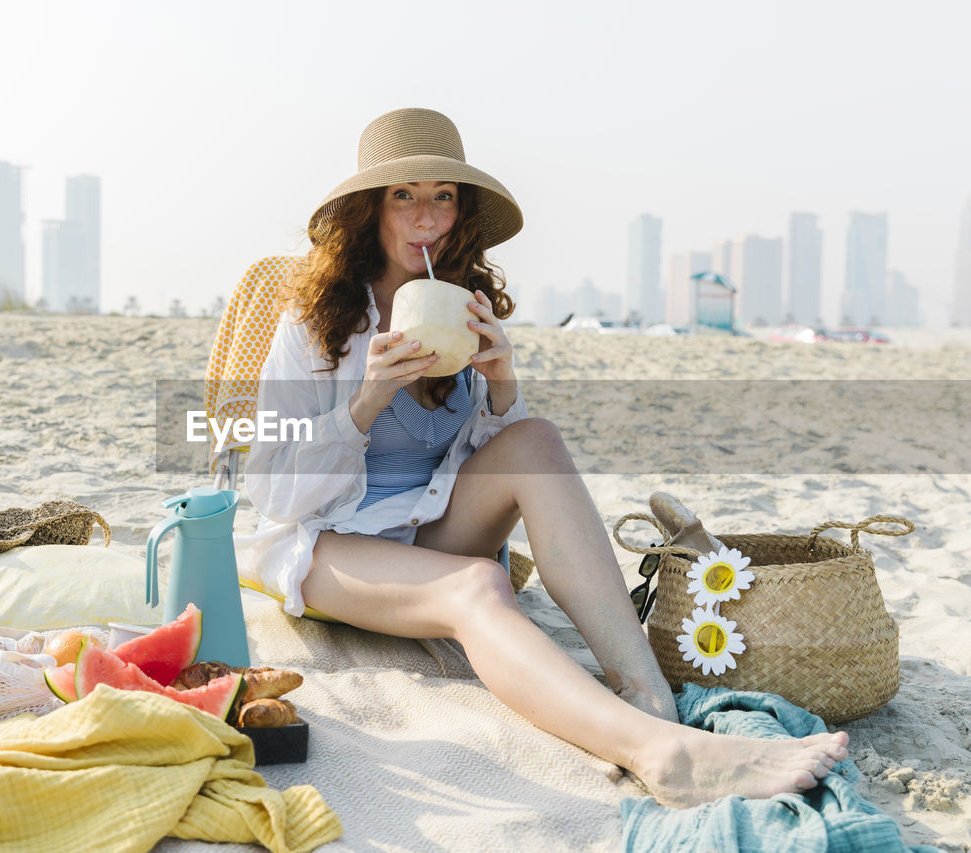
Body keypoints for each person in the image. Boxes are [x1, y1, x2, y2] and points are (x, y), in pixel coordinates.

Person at [239, 107, 848, 808]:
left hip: (426, 528)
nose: (425, 217)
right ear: (369, 211)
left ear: (460, 209)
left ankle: (645, 690)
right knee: (477, 586)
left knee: (536, 439)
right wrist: (364, 404)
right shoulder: (312, 325)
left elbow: (484, 460)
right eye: (403, 195)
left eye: (443, 195)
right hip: (329, 549)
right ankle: (661, 754)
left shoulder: (460, 306)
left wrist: (500, 387)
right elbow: (274, 492)